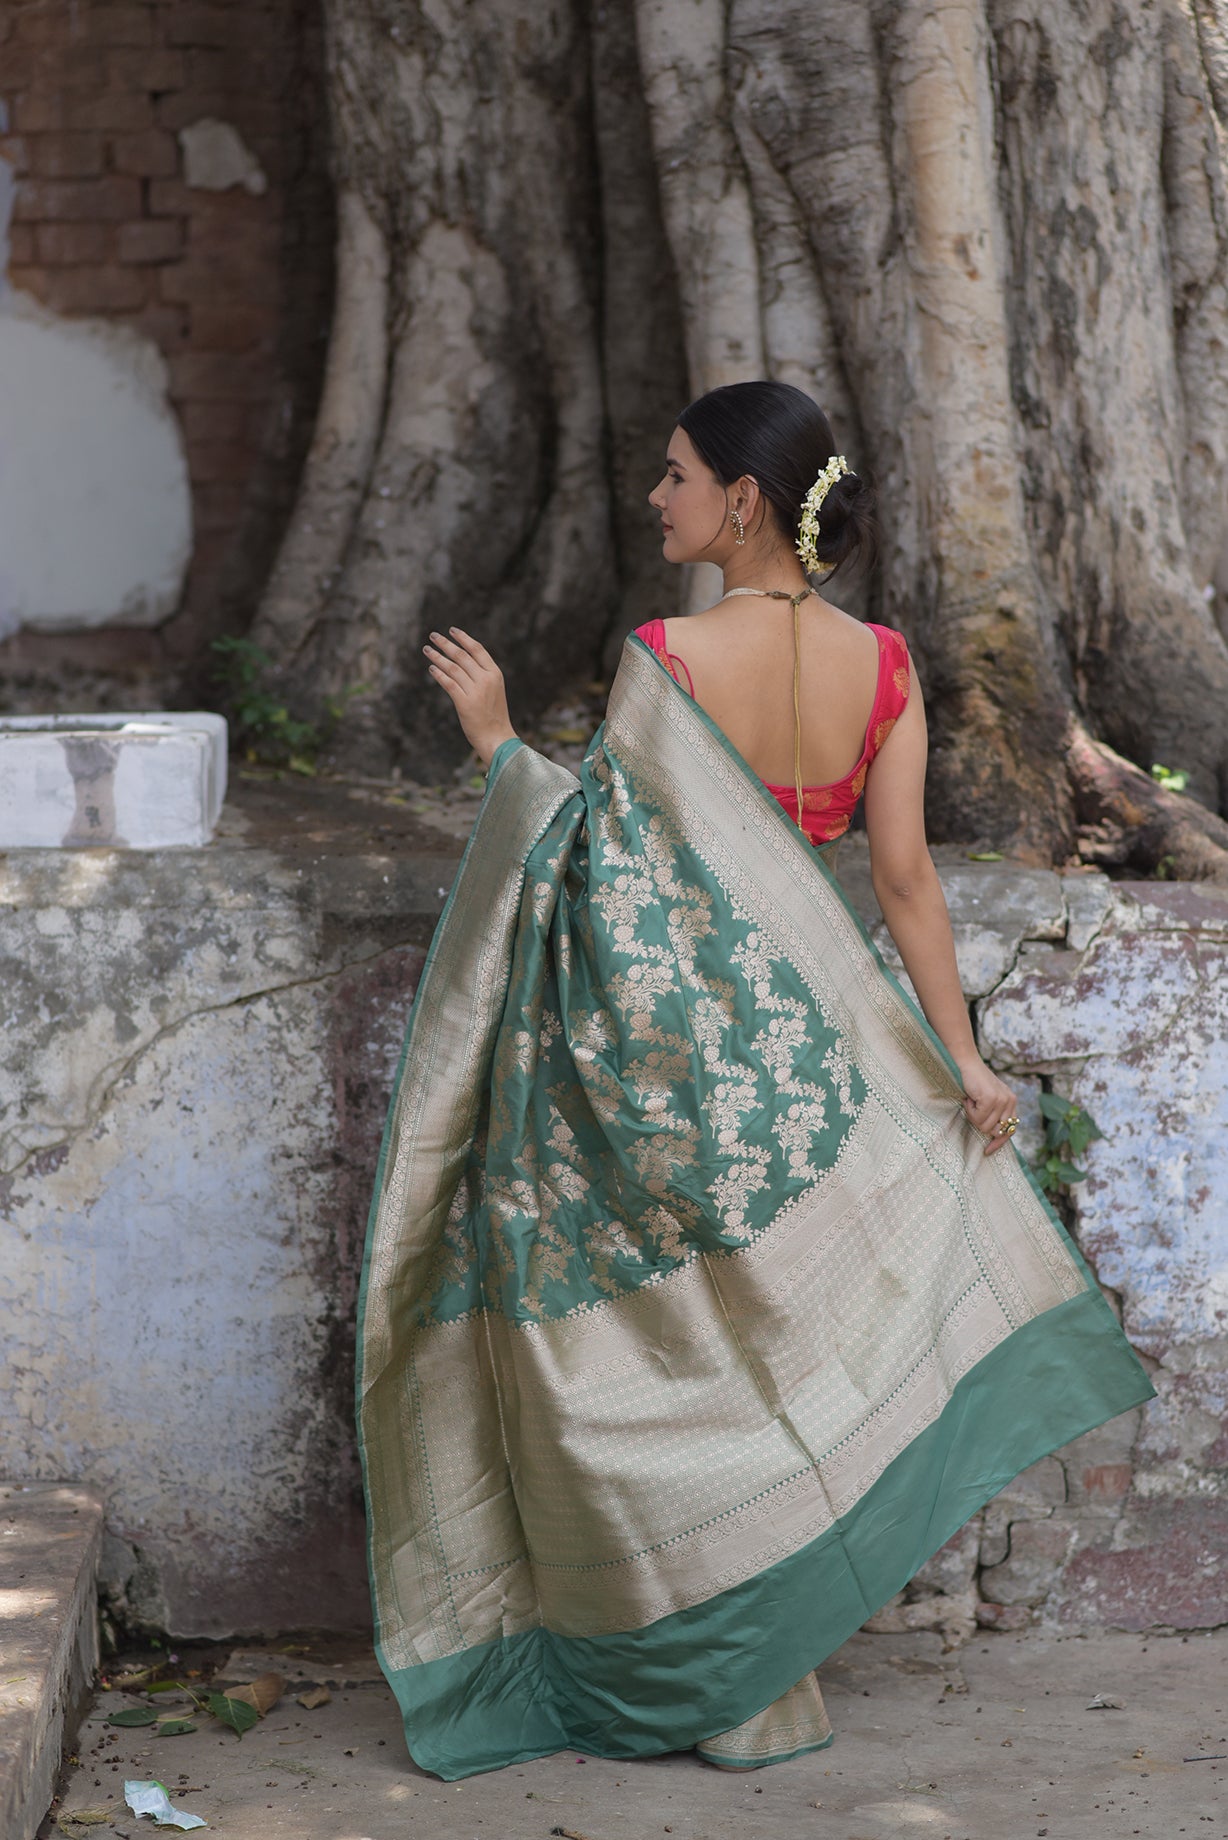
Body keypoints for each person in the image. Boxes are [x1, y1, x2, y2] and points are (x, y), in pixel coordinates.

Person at [356, 380, 1153, 1781]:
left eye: (672, 476)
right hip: (807, 1063)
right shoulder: (889, 666)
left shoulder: (665, 657)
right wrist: (961, 1061)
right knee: (782, 1352)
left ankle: (714, 1675)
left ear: (740, 500)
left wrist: (492, 744)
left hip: (666, 1072)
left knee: (643, 1359)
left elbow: (597, 867)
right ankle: (765, 1663)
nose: (654, 499)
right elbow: (902, 884)